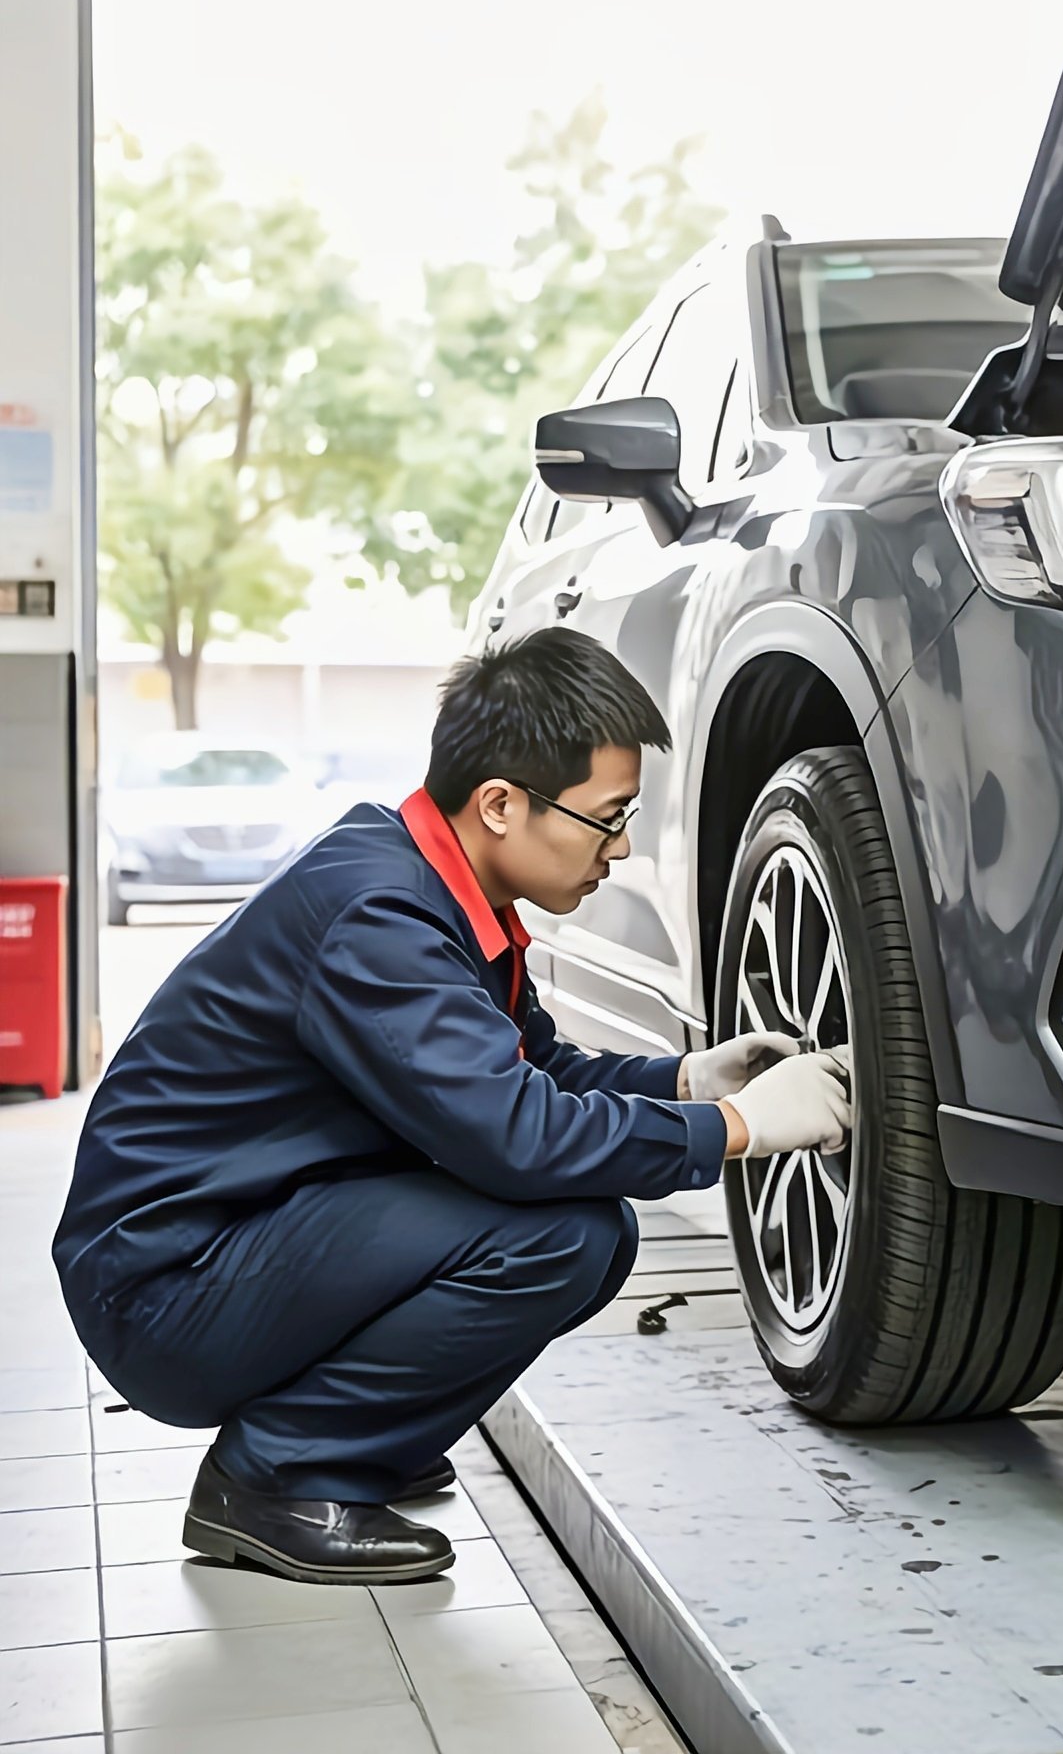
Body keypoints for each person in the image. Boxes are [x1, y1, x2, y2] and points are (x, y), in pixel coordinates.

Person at [53, 626, 849, 1585]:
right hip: (166, 1286)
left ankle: (356, 1441)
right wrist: (744, 1130)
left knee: (580, 1229)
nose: (622, 847)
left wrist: (690, 1081)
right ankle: (276, 1475)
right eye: (608, 817)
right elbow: (519, 1137)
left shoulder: (438, 892)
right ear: (503, 804)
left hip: (235, 1237)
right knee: (560, 1237)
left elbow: (532, 1074)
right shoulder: (381, 918)